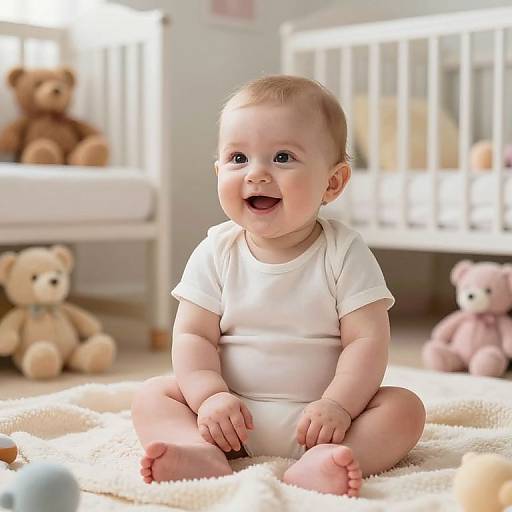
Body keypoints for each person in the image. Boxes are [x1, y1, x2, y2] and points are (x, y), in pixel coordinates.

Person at [132, 75, 426, 497]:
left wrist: (339, 404)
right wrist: (209, 396)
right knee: (153, 394)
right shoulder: (217, 250)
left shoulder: (344, 252)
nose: (256, 174)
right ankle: (199, 452)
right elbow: (193, 333)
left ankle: (326, 464)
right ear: (218, 171)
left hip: (323, 421)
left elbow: (367, 340)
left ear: (333, 183)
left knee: (404, 409)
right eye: (237, 158)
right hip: (228, 418)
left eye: (283, 157)